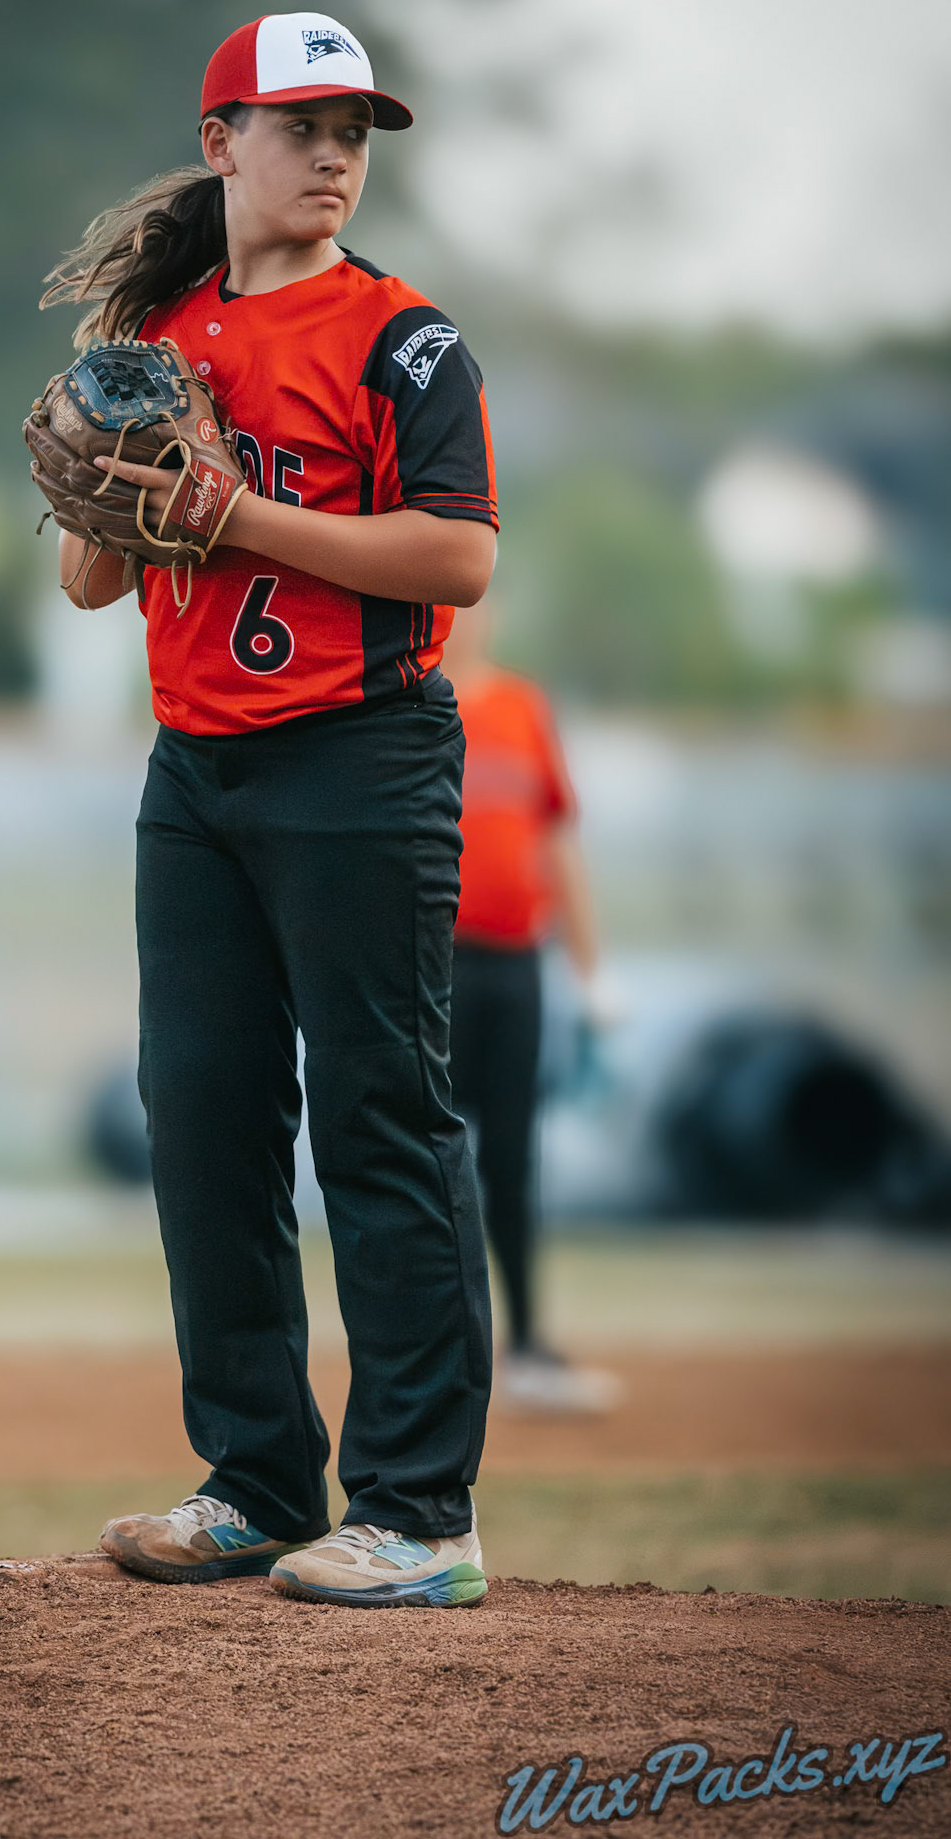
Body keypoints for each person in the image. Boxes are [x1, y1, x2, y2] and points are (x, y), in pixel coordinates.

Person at [36, 12, 498, 1608]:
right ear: (221, 138)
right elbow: (98, 581)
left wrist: (243, 511)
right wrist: (107, 489)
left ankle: (423, 1518)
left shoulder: (405, 339)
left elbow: (458, 559)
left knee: (382, 1120)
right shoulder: (161, 328)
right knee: (207, 1122)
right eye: (300, 126)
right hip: (197, 773)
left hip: (358, 762)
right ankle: (256, 1483)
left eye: (353, 132)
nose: (333, 156)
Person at [443, 595, 623, 1414]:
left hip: (515, 967)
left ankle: (526, 1345)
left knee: (511, 1158)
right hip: (428, 964)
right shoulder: (407, 703)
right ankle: (441, 1353)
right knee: (427, 1163)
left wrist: (593, 976)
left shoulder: (522, 709)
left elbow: (557, 845)